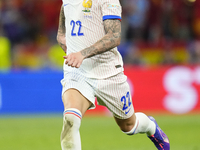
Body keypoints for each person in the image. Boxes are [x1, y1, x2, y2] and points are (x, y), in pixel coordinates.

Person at [57, 0, 170, 150]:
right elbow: (65, 6)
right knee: (71, 119)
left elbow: (114, 36)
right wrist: (61, 32)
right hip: (78, 71)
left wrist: (82, 54)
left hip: (108, 72)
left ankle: (151, 127)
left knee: (129, 126)